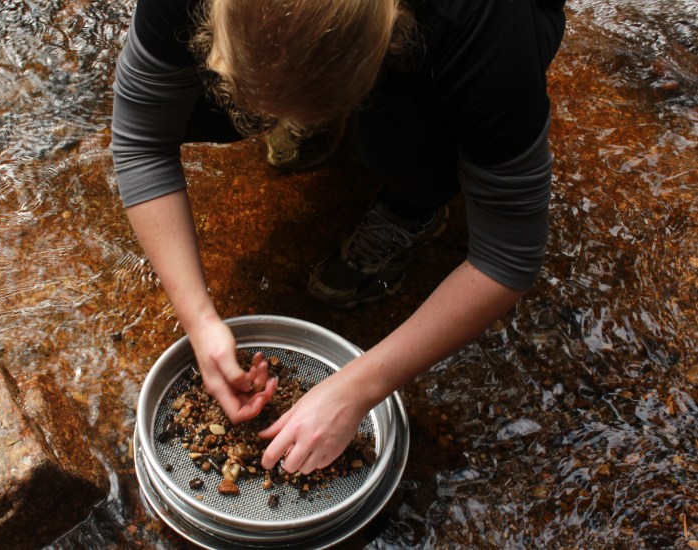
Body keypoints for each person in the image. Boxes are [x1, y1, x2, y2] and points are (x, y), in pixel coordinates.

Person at [111, 0, 566, 475]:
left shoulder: (485, 31)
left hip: (477, 41)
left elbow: (508, 255)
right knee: (187, 101)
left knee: (402, 145)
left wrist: (359, 388)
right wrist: (199, 319)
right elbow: (140, 137)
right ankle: (301, 104)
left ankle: (413, 206)